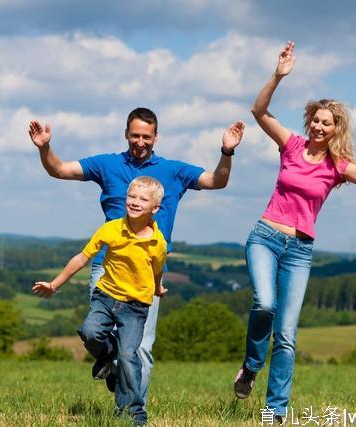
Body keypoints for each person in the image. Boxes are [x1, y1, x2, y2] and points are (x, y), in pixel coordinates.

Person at [233, 41, 356, 421]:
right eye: (316, 120)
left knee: (287, 336)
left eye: (328, 122)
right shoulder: (290, 145)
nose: (320, 126)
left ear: (336, 128)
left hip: (300, 250)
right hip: (265, 237)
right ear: (309, 122)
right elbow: (259, 111)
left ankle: (274, 412)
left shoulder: (338, 165)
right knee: (264, 304)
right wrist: (278, 75)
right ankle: (251, 366)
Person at [28, 107, 244, 410]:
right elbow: (59, 170)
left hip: (147, 271)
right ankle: (109, 358)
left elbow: (217, 180)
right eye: (135, 136)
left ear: (156, 137)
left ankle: (131, 413)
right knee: (97, 332)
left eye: (146, 136)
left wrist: (227, 151)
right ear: (126, 134)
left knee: (140, 347)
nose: (140, 142)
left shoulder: (173, 171)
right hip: (106, 267)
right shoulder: (107, 164)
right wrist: (45, 147)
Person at [32, 176, 167, 426]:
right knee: (90, 332)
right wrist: (54, 284)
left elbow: (156, 268)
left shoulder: (157, 243)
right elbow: (82, 258)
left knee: (129, 356)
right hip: (105, 297)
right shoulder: (111, 228)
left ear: (155, 208)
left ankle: (133, 412)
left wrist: (158, 286)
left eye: (143, 199)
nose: (135, 202)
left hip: (136, 307)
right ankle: (108, 356)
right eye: (132, 196)